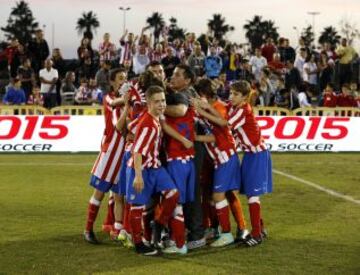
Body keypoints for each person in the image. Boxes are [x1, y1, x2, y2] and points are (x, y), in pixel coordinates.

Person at [197, 80, 272, 247]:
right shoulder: (233, 108)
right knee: (247, 193)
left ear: (245, 97)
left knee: (253, 195)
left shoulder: (243, 110)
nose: (231, 97)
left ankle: (257, 234)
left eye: (236, 94)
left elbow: (225, 123)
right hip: (249, 154)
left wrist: (204, 109)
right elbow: (222, 111)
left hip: (257, 153)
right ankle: (259, 228)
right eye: (231, 93)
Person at [126, 85, 179, 256]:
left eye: (163, 100)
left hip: (156, 167)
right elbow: (137, 151)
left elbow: (131, 128)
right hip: (141, 170)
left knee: (173, 194)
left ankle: (158, 223)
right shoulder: (149, 124)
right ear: (148, 103)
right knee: (137, 206)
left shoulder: (151, 117)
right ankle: (138, 243)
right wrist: (138, 176)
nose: (161, 105)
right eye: (157, 102)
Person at [83, 68, 128, 244]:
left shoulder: (126, 103)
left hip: (123, 156)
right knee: (99, 194)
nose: (123, 81)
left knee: (119, 196)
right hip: (110, 154)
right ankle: (87, 229)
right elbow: (119, 126)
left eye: (125, 78)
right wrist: (127, 100)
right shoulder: (109, 98)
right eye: (120, 79)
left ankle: (117, 231)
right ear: (112, 82)